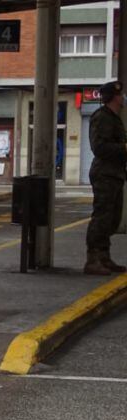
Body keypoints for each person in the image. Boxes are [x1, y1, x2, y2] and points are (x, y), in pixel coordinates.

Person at [83, 80, 127, 276]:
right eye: (120, 95)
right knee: (101, 217)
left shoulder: (115, 118)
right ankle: (92, 259)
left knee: (112, 218)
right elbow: (99, 147)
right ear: (114, 97)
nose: (123, 97)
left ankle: (104, 256)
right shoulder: (101, 117)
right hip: (104, 174)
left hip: (115, 174)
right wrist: (124, 149)